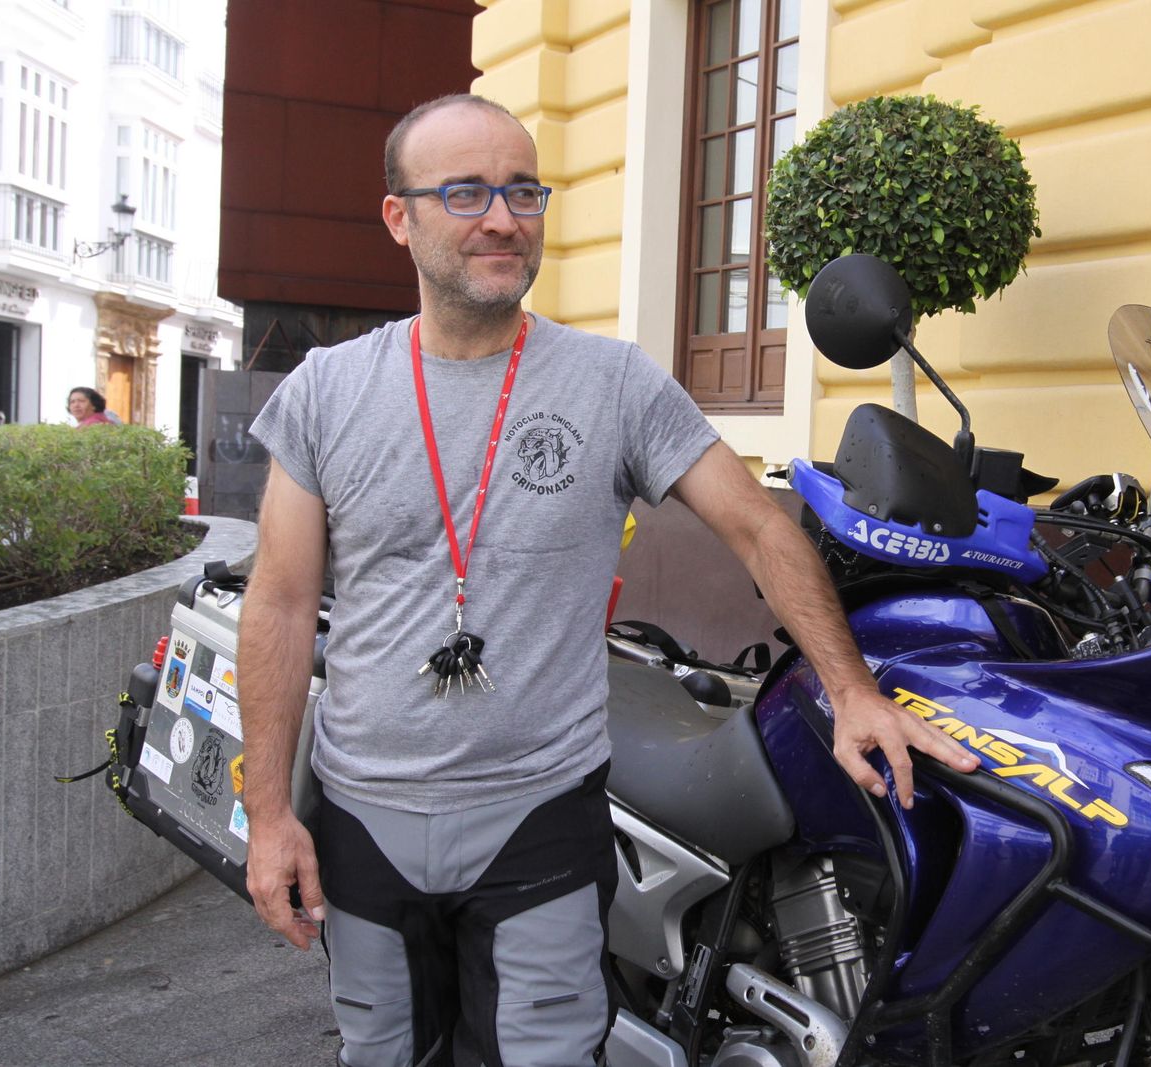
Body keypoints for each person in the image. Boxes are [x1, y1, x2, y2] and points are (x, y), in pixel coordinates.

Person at [238, 93, 977, 1067]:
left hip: (537, 820)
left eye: (522, 190)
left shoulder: (613, 383)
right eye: (464, 192)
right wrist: (272, 816)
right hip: (366, 817)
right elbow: (281, 602)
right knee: (384, 1052)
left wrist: (850, 690)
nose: (502, 217)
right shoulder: (327, 390)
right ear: (398, 216)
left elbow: (758, 527)